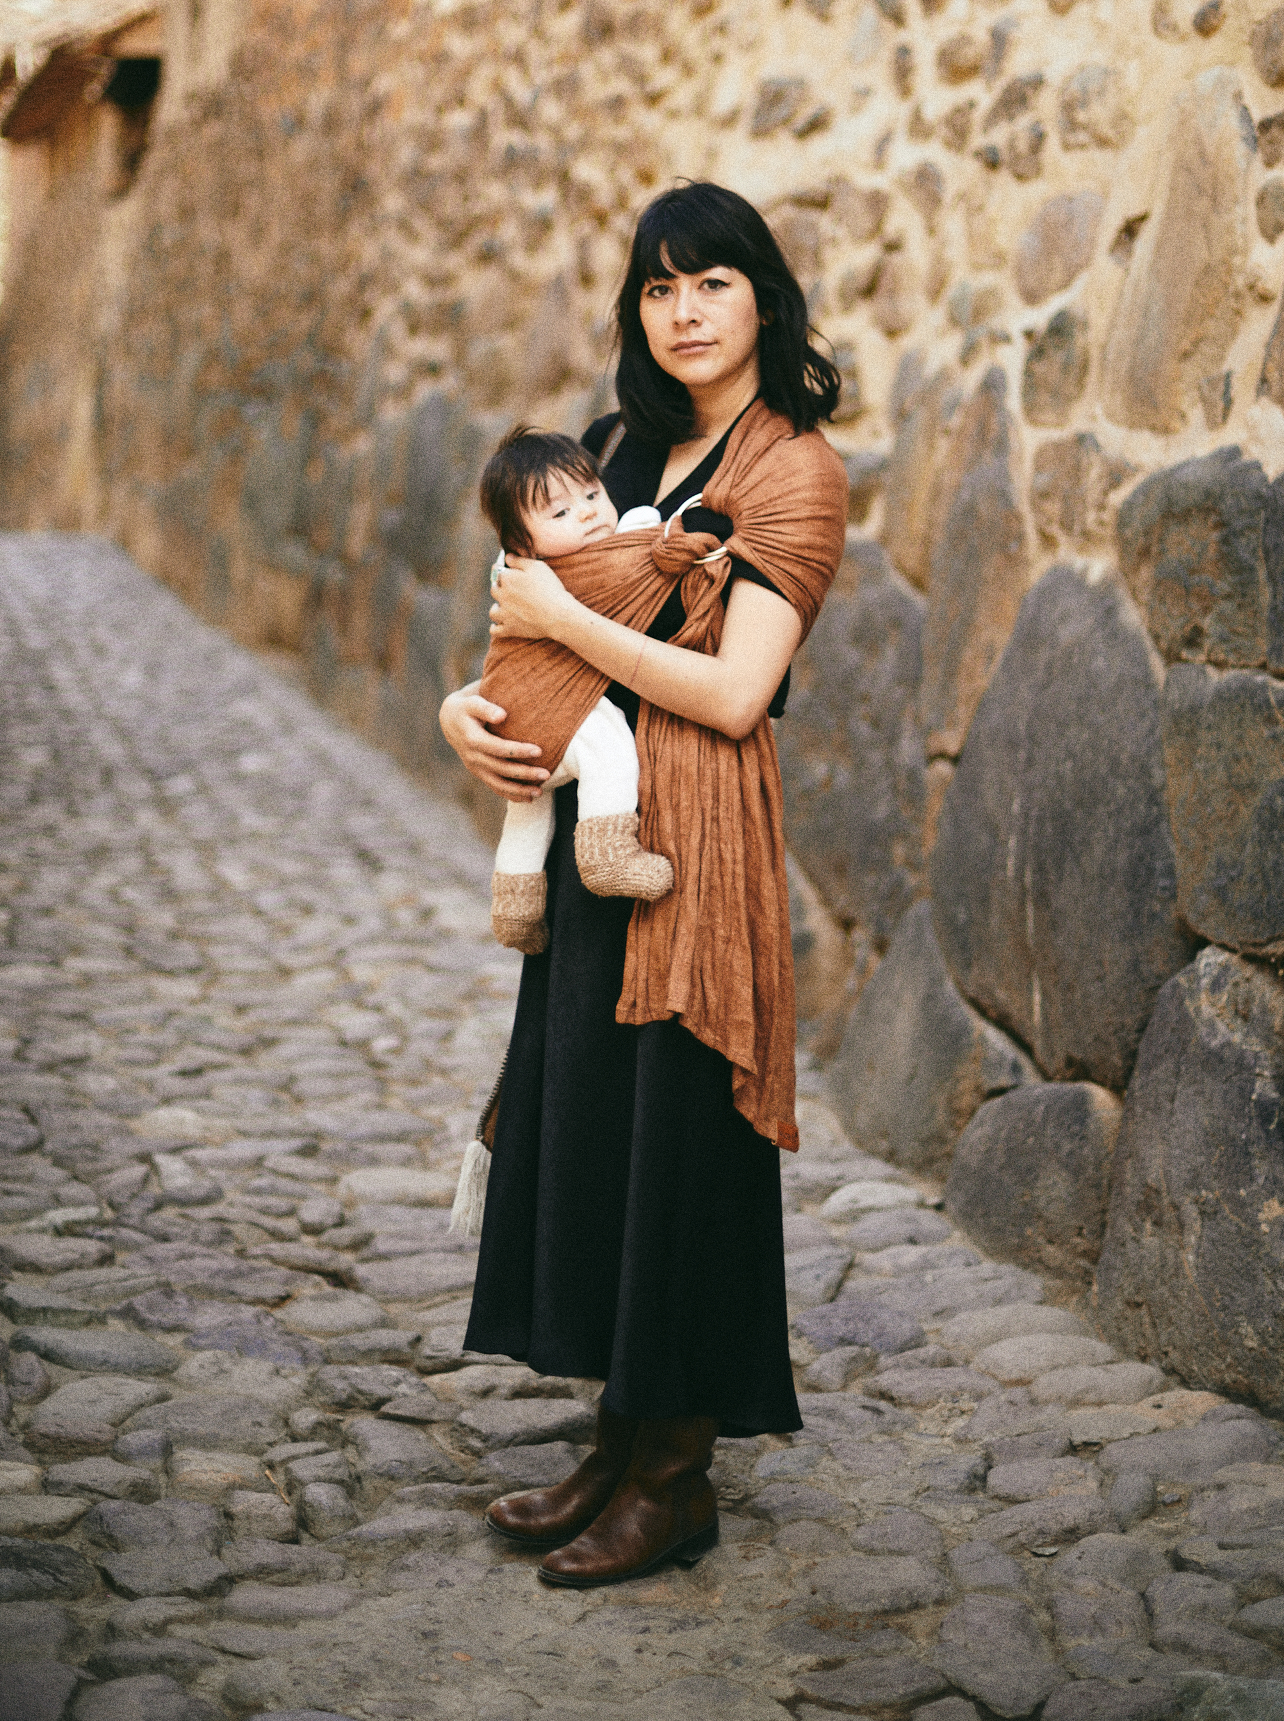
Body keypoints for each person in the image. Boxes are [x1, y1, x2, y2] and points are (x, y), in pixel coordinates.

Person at [438, 181, 847, 1591]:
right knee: (598, 1129)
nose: (684, 311)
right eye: (659, 287)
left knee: (681, 1141)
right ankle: (617, 1438)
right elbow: (521, 630)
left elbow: (736, 693)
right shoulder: (611, 447)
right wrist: (463, 712)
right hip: (587, 838)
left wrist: (562, 617)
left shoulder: (793, 473)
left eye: (712, 282)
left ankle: (674, 1477)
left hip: (696, 851)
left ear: (763, 301)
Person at [477, 424, 675, 957]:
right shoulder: (549, 574)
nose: (588, 514)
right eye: (561, 513)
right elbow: (633, 570)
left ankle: (515, 907)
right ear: (522, 545)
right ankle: (608, 854)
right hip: (549, 708)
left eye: (591, 494)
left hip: (504, 713)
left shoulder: (520, 572)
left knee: (528, 806)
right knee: (609, 742)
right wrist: (651, 533)